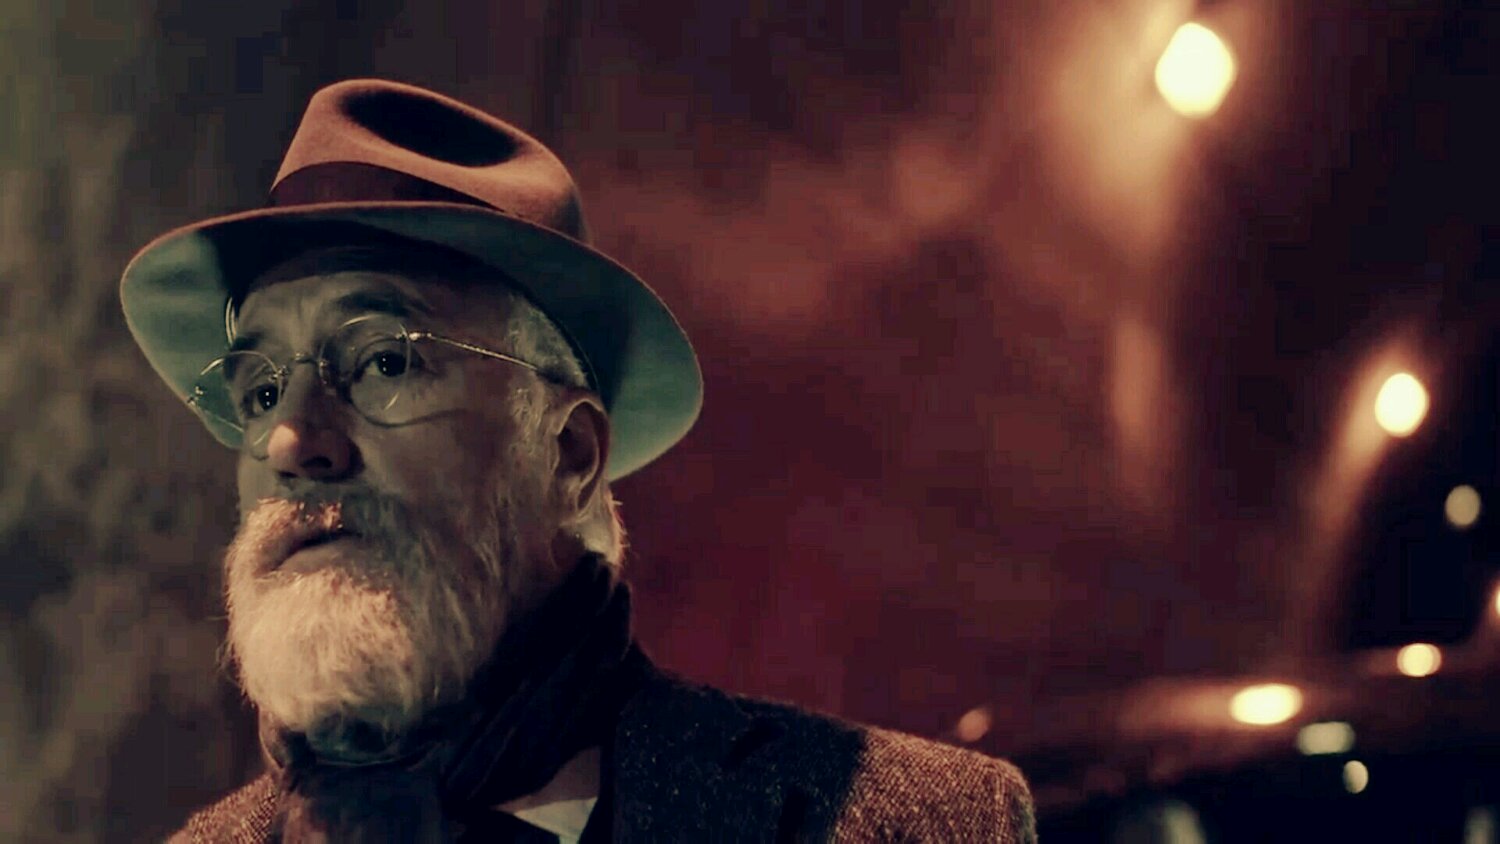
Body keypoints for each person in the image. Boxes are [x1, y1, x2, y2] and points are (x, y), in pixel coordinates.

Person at [120, 78, 1036, 842]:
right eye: (260, 392)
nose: (292, 442)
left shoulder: (918, 823)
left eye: (385, 361)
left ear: (569, 453)